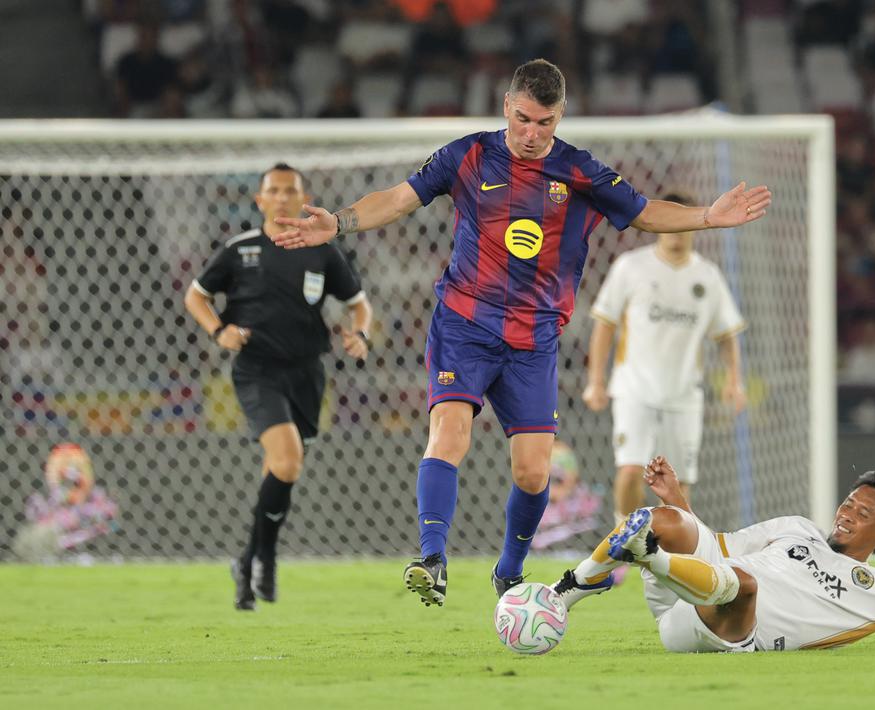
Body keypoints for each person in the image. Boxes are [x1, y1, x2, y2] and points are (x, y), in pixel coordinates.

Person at [268, 58, 771, 607]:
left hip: (534, 342)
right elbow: (397, 197)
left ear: (561, 117)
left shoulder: (580, 171)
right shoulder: (468, 155)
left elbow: (645, 212)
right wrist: (338, 222)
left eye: (546, 123)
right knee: (449, 434)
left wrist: (707, 217)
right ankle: (432, 558)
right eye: (525, 119)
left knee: (533, 473)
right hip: (464, 325)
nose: (532, 134)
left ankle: (509, 571)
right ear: (507, 105)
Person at [553, 456, 875, 652]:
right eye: (849, 502)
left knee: (746, 584)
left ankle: (646, 558)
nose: (847, 513)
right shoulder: (796, 529)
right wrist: (681, 506)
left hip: (726, 630)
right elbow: (716, 547)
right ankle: (568, 592)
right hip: (693, 590)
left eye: (864, 513)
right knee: (663, 519)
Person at [184, 163, 372, 611]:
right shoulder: (239, 249)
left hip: (307, 371)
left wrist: (357, 334)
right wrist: (218, 332)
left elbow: (358, 305)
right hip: (257, 370)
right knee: (287, 462)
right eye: (275, 190)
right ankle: (264, 557)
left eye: (292, 190)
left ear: (304, 197)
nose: (283, 197)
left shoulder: (324, 252)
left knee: (282, 469)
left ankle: (248, 561)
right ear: (260, 201)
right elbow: (196, 295)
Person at [583, 188, 746, 533]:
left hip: (684, 396)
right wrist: (596, 380)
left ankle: (669, 556)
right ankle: (624, 537)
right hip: (634, 389)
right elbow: (604, 324)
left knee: (678, 486)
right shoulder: (631, 267)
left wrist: (734, 380)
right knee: (630, 470)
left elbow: (727, 335)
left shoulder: (708, 276)